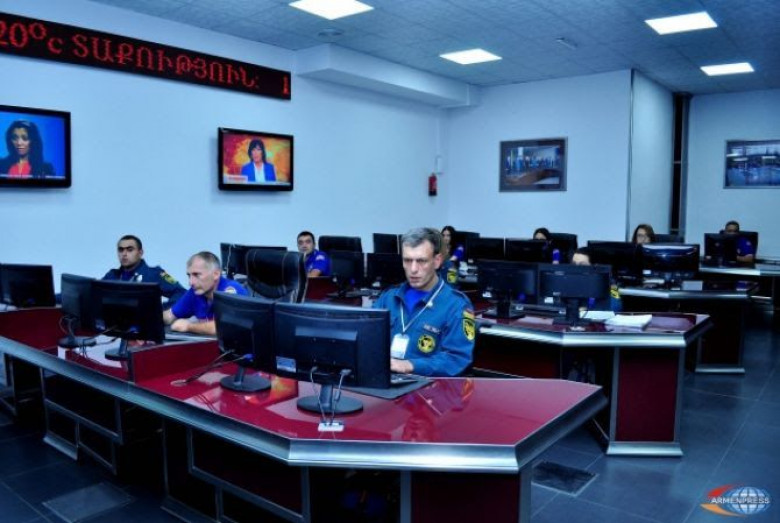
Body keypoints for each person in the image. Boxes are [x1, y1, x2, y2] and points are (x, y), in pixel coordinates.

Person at [373, 228, 475, 377]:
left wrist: (410, 365)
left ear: (437, 261)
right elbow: (365, 338)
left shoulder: (456, 305)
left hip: (426, 385)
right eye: (408, 260)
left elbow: (456, 359)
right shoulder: (388, 297)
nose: (413, 269)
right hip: (383, 379)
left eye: (421, 261)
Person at [163, 251, 248, 335]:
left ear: (216, 274)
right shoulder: (195, 292)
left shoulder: (231, 290)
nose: (191, 282)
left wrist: (189, 326)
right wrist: (155, 316)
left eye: (196, 275)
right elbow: (170, 316)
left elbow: (225, 327)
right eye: (189, 276)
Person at [103, 235, 186, 307]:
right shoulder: (111, 276)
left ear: (140, 253)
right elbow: (96, 296)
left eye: (130, 250)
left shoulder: (155, 274)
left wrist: (161, 310)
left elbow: (181, 293)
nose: (124, 254)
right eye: (121, 250)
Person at [571, 247, 622, 312]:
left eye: (582, 265)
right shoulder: (569, 282)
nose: (577, 269)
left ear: (595, 266)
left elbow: (616, 307)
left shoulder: (611, 284)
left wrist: (588, 310)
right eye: (574, 264)